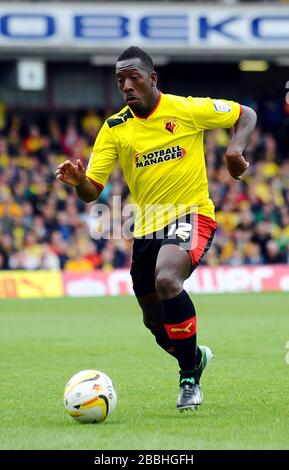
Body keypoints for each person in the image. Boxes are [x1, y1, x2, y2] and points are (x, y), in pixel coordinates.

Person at [55, 47, 257, 411]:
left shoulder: (186, 109)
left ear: (152, 79)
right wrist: (80, 181)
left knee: (167, 280)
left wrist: (233, 151)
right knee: (152, 318)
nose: (127, 86)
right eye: (120, 81)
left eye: (134, 77)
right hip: (146, 230)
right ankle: (194, 357)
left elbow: (246, 114)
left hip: (192, 215)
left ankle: (188, 380)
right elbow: (92, 193)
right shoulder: (115, 128)